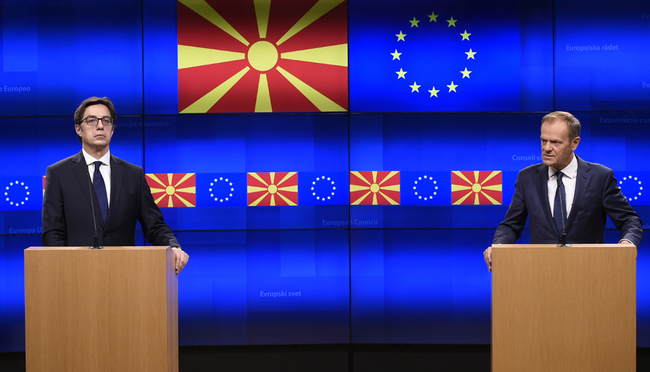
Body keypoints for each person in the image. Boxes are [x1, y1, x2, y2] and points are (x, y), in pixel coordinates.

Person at [42, 96, 189, 274]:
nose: (100, 126)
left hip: (124, 276)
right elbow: (53, 233)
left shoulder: (133, 174)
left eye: (106, 120)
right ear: (78, 129)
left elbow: (155, 226)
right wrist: (64, 270)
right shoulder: (59, 173)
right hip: (76, 276)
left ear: (112, 130)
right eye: (91, 120)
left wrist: (173, 247)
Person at [484, 111, 642, 272]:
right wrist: (499, 246)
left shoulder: (600, 177)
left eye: (555, 142)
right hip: (540, 273)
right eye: (543, 140)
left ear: (574, 143)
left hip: (590, 273)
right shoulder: (527, 177)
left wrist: (627, 243)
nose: (546, 148)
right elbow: (511, 225)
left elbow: (629, 220)